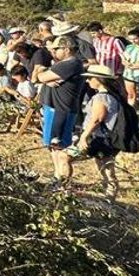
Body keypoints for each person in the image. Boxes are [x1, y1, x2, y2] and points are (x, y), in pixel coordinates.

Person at [36, 36, 86, 189]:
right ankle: (57, 177)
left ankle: (62, 184)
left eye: (56, 49)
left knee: (59, 147)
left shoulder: (70, 64)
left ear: (66, 49)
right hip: (54, 108)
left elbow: (41, 75)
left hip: (60, 109)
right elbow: (40, 77)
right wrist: (44, 77)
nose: (53, 51)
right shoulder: (64, 64)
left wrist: (43, 75)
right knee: (52, 146)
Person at [74, 65, 124, 200]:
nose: (87, 81)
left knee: (65, 157)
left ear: (99, 79)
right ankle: (109, 194)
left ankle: (110, 195)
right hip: (107, 138)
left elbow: (97, 119)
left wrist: (84, 136)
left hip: (100, 138)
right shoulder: (113, 95)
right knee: (105, 166)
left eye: (90, 78)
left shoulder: (101, 98)